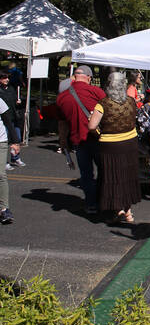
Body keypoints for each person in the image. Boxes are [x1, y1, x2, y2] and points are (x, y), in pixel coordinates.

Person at [88, 72, 140, 223]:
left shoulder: (103, 104)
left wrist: (99, 134)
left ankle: (119, 210)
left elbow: (92, 126)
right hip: (130, 142)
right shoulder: (131, 101)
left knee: (112, 176)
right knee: (127, 175)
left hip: (110, 144)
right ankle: (129, 211)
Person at [56, 65, 106, 214]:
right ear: (89, 78)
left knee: (86, 174)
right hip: (98, 138)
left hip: (78, 140)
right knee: (104, 170)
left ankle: (91, 203)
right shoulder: (96, 92)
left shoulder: (62, 97)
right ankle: (104, 200)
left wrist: (63, 141)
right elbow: (108, 112)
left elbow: (62, 123)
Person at [0, 97, 21, 224]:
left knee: (0, 174)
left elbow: (8, 121)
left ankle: (4, 209)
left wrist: (14, 141)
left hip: (0, 141)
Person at [0, 71, 23, 169]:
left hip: (13, 117)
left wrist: (18, 101)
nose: (7, 80)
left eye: (8, 78)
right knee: (5, 140)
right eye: (4, 78)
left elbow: (14, 101)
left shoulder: (11, 88)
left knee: (16, 137)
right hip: (5, 119)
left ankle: (15, 157)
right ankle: (3, 162)